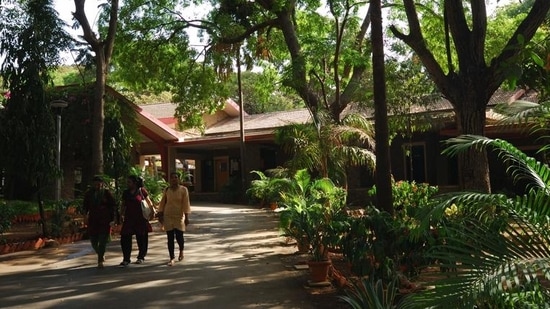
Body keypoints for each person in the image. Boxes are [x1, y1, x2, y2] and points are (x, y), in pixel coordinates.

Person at [82, 175, 117, 268]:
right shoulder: (89, 194)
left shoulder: (106, 193)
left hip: (104, 219)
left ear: (102, 184)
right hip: (93, 219)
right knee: (93, 240)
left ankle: (100, 260)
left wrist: (113, 219)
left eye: (99, 184)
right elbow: (85, 206)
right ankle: (100, 253)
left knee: (102, 240)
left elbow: (113, 206)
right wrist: (85, 216)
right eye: (96, 184)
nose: (97, 185)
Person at [119, 175, 154, 267]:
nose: (128, 184)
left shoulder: (141, 191)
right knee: (125, 238)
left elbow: (149, 202)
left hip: (140, 219)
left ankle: (141, 257)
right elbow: (123, 205)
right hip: (129, 218)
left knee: (141, 238)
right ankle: (126, 259)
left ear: (135, 183)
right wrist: (121, 215)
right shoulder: (126, 193)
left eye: (129, 182)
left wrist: (152, 212)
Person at [158, 172, 191, 266]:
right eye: (172, 178)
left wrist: (187, 217)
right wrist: (160, 214)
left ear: (178, 179)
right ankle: (171, 257)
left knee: (179, 236)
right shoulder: (167, 189)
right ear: (170, 180)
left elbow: (186, 203)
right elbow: (163, 202)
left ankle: (181, 250)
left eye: (176, 177)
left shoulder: (184, 190)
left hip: (179, 216)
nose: (174, 179)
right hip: (168, 215)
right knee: (170, 237)